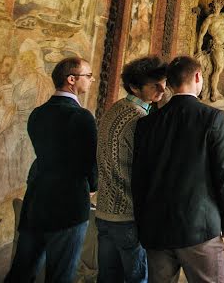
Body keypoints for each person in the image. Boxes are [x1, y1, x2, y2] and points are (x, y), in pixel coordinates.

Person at [132, 56, 224, 282]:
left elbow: (138, 178)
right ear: (198, 77)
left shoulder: (147, 123)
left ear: (168, 83)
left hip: (156, 227)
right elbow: (223, 176)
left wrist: (142, 223)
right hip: (199, 227)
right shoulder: (213, 117)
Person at [5, 57, 98, 283]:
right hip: (69, 205)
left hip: (37, 199)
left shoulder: (37, 114)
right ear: (71, 79)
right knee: (61, 273)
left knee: (22, 269)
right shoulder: (82, 116)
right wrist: (93, 187)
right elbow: (89, 163)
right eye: (88, 75)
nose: (92, 79)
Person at [95, 56, 167, 283]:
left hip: (104, 211)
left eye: (163, 83)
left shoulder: (115, 108)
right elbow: (150, 169)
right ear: (135, 87)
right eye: (154, 85)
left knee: (107, 276)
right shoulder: (140, 119)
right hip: (127, 215)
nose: (162, 89)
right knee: (137, 278)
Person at [195, 0, 224, 101]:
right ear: (212, 7)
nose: (216, 8)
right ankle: (214, 92)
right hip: (217, 45)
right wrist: (199, 50)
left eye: (218, 6)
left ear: (220, 7)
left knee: (220, 69)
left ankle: (215, 91)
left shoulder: (223, 16)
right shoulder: (209, 20)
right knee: (218, 68)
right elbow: (201, 36)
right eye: (214, 6)